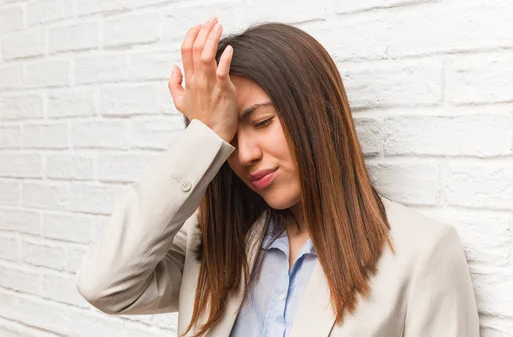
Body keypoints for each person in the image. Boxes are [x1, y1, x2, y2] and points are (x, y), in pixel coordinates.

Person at [75, 17, 480, 337]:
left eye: (262, 121)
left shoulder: (422, 254)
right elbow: (104, 285)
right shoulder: (217, 247)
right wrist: (203, 138)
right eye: (230, 137)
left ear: (315, 113)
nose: (245, 155)